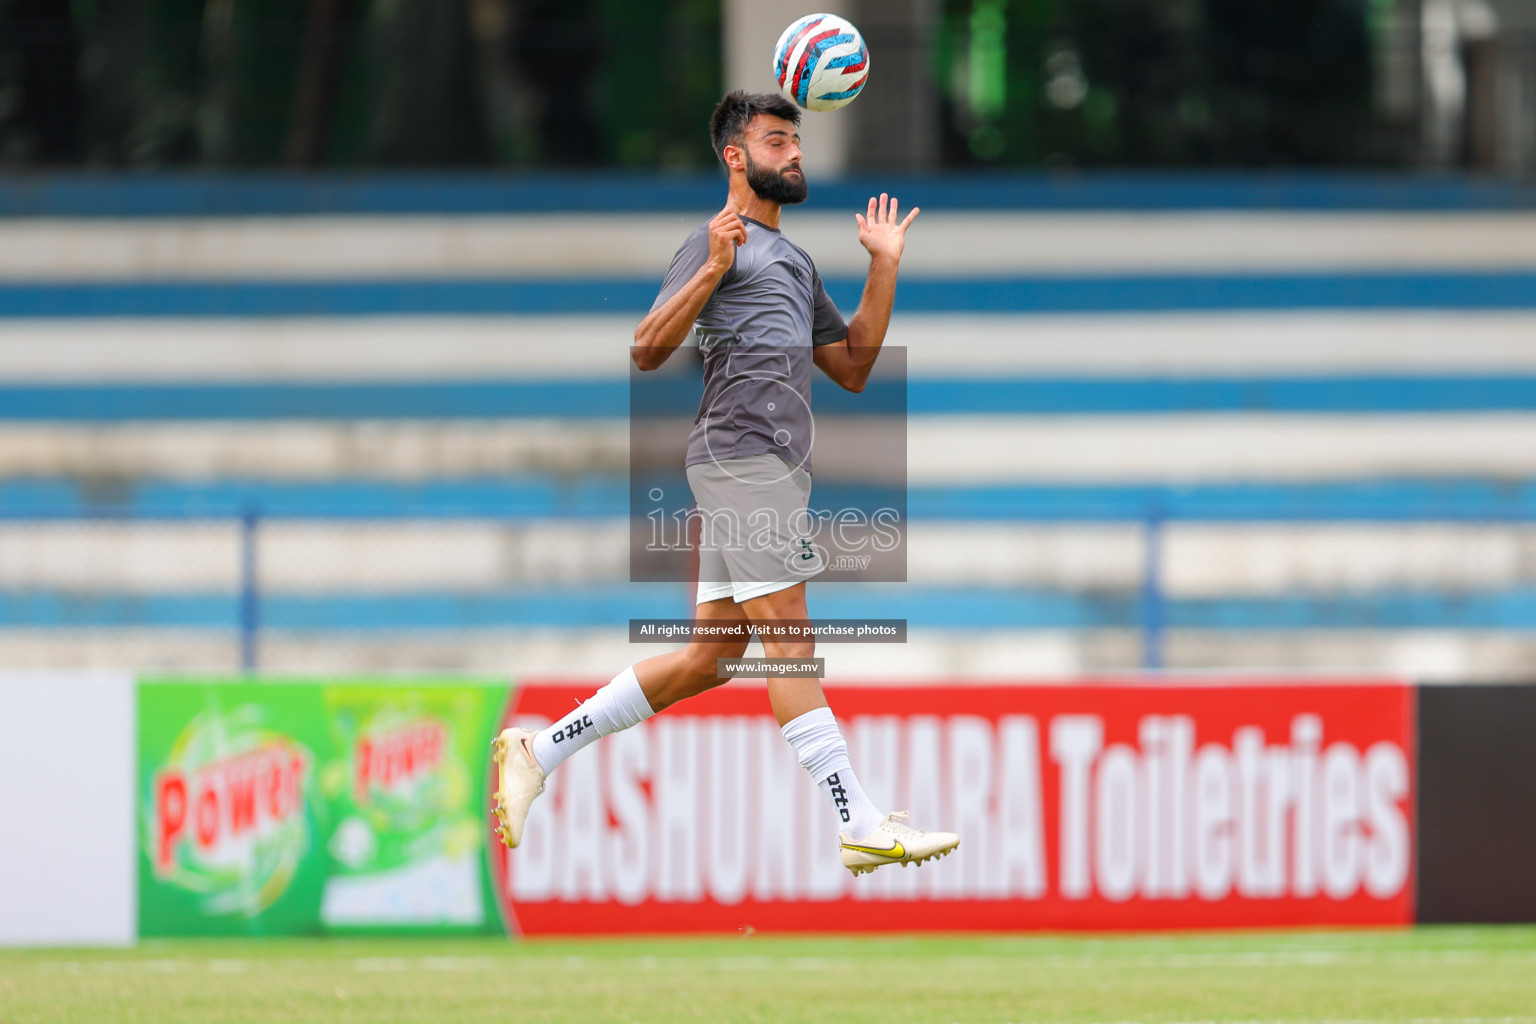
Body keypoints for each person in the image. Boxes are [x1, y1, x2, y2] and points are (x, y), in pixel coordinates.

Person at [492, 91, 958, 877]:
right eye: (778, 140)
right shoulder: (719, 245)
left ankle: (538, 749)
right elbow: (645, 348)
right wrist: (710, 267)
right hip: (742, 463)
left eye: (797, 140)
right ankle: (859, 820)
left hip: (768, 471)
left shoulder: (797, 263)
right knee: (793, 648)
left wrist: (883, 267)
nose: (796, 153)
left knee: (712, 656)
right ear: (736, 158)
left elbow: (852, 368)